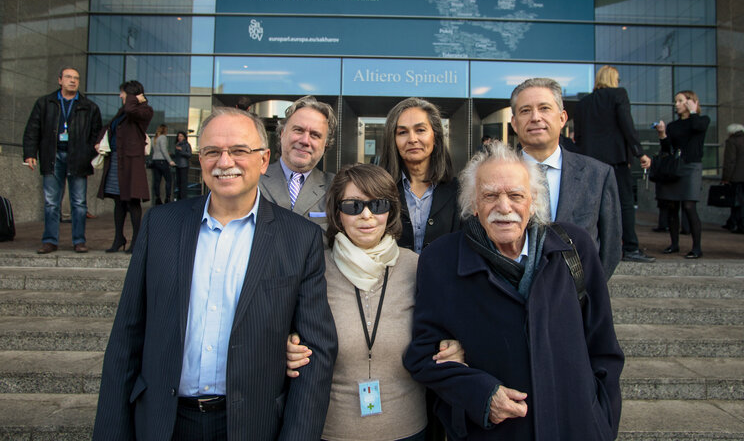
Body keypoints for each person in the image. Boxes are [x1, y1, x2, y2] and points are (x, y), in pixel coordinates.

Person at [93, 107, 338, 440]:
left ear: (264, 160)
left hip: (253, 424)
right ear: (200, 158)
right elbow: (126, 337)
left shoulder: (299, 238)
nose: (225, 162)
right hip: (164, 422)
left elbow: (316, 351)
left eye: (239, 150)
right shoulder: (160, 225)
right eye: (212, 152)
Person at [403, 141, 624, 440]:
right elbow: (423, 354)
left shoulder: (574, 248)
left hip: (575, 427)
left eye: (516, 195)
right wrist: (481, 396)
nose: (504, 207)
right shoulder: (441, 261)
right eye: (490, 195)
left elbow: (604, 349)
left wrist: (602, 423)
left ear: (533, 201)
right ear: (473, 204)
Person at [285, 165, 465, 441]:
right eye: (353, 205)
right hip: (333, 430)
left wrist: (454, 346)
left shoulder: (417, 268)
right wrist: (286, 346)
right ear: (337, 213)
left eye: (378, 204)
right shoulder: (315, 269)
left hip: (408, 429)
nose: (367, 215)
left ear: (391, 211)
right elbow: (284, 326)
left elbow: (445, 329)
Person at [509, 78, 622, 278]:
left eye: (544, 108)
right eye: (525, 110)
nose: (535, 117)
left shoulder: (598, 175)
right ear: (515, 123)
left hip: (574, 299)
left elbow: (610, 247)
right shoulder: (495, 175)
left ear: (562, 118)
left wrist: (583, 293)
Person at [574, 65, 655, 263]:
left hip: (589, 161)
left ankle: (593, 247)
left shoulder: (584, 103)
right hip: (615, 161)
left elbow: (580, 135)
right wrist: (639, 153)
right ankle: (630, 248)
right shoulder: (619, 95)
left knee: (592, 205)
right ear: (613, 79)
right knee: (625, 204)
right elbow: (627, 125)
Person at [22, 66, 102, 254]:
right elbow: (33, 129)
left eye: (76, 78)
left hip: (78, 158)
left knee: (79, 203)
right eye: (68, 77)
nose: (72, 80)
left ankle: (79, 241)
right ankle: (50, 241)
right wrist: (30, 153)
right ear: (60, 80)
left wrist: (87, 153)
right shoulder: (45, 103)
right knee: (51, 202)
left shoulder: (89, 107)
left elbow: (96, 135)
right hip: (52, 156)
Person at [381, 97, 461, 254]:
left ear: (435, 136)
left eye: (420, 130)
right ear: (393, 140)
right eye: (402, 132)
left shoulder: (459, 190)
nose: (412, 139)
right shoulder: (379, 189)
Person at [259, 96, 337, 233]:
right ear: (282, 133)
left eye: (315, 135)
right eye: (299, 130)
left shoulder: (335, 188)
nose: (305, 140)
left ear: (325, 144)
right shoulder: (253, 179)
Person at [96, 80, 153, 254]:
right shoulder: (122, 112)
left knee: (132, 201)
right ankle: (118, 238)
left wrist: (134, 99)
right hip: (116, 160)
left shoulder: (144, 111)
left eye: (123, 93)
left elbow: (131, 109)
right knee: (118, 201)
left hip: (131, 163)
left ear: (131, 95)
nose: (120, 96)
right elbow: (109, 127)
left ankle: (137, 240)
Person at [654, 90, 710, 258]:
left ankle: (697, 247)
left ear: (690, 102)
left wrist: (693, 111)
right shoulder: (673, 126)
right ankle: (674, 244)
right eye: (675, 101)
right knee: (672, 206)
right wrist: (662, 134)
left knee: (689, 206)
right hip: (675, 168)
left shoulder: (701, 120)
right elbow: (667, 149)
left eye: (680, 101)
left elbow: (697, 127)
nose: (676, 104)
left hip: (691, 167)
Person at [150, 123, 175, 204]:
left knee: (157, 180)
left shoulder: (153, 138)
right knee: (168, 180)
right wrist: (170, 160)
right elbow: (163, 150)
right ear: (165, 130)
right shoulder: (163, 137)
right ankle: (167, 198)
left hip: (155, 160)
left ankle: (157, 198)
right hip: (162, 161)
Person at [173, 131, 193, 200]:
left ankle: (183, 198)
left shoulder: (186, 144)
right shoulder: (177, 144)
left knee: (183, 182)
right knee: (178, 182)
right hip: (177, 165)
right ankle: (179, 197)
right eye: (178, 136)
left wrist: (181, 150)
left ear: (184, 137)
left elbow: (189, 154)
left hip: (184, 165)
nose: (179, 138)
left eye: (181, 136)